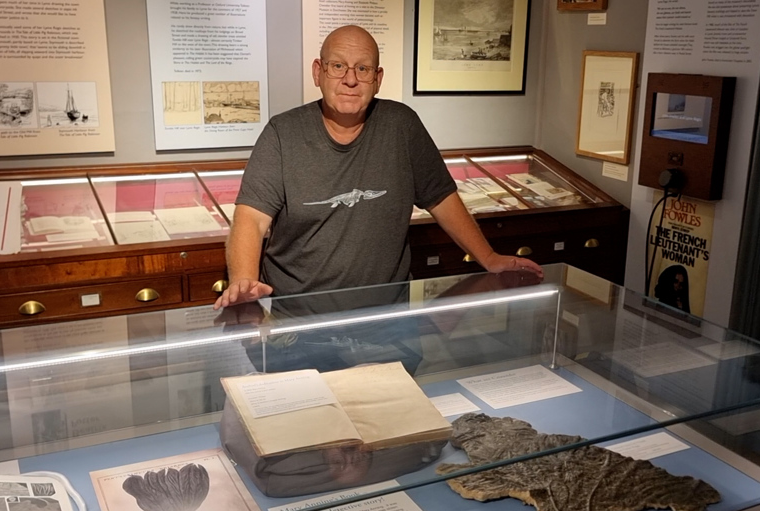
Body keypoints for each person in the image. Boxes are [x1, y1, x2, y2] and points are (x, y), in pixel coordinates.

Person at [213, 25, 542, 311]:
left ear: (378, 78)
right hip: (299, 317)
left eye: (363, 69)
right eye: (338, 66)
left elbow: (441, 197)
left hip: (386, 316)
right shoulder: (282, 134)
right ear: (318, 72)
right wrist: (244, 282)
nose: (350, 80)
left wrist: (488, 257)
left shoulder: (401, 126)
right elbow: (251, 219)